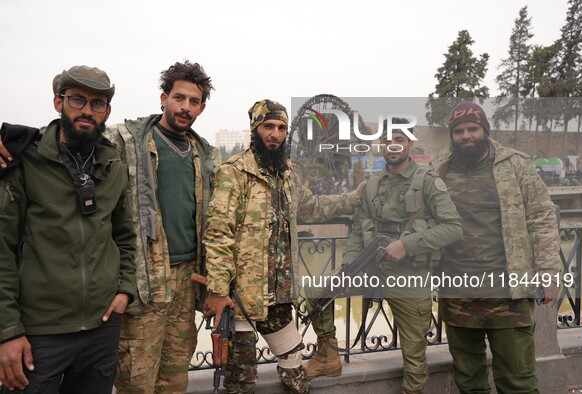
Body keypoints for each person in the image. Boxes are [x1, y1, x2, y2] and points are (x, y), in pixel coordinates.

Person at [202, 99, 363, 394]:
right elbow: (218, 233)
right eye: (268, 127)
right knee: (242, 383)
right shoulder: (234, 172)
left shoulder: (288, 176)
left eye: (281, 128)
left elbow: (312, 207)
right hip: (242, 299)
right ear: (255, 129)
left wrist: (354, 197)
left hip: (279, 295)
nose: (275, 134)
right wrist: (218, 290)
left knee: (295, 374)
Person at [0, 65, 136, 393]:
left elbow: (125, 236)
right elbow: (2, 249)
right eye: (77, 100)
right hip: (39, 333)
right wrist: (7, 331)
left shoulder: (113, 165)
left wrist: (125, 290)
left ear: (107, 111)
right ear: (58, 102)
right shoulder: (26, 162)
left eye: (98, 103)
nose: (87, 111)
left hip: (102, 329)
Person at [306, 119, 462, 394]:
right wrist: (347, 269)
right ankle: (329, 355)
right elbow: (357, 231)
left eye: (399, 139)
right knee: (318, 290)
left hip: (411, 276)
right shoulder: (373, 184)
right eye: (387, 139)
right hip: (370, 271)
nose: (392, 145)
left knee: (414, 356)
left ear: (410, 143)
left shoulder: (427, 181)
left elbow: (453, 228)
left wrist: (408, 244)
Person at [430, 102, 562, 394]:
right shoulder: (437, 167)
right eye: (459, 131)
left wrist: (549, 272)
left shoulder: (516, 164)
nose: (466, 136)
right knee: (468, 378)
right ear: (452, 135)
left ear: (485, 130)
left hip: (509, 292)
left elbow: (542, 217)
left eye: (472, 129)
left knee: (518, 379)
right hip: (457, 289)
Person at [105, 61, 219, 394]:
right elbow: (74, 140)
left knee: (175, 376)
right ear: (163, 98)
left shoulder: (204, 154)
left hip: (187, 280)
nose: (185, 107)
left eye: (193, 102)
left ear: (201, 107)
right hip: (143, 280)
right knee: (135, 379)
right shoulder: (125, 141)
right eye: (178, 98)